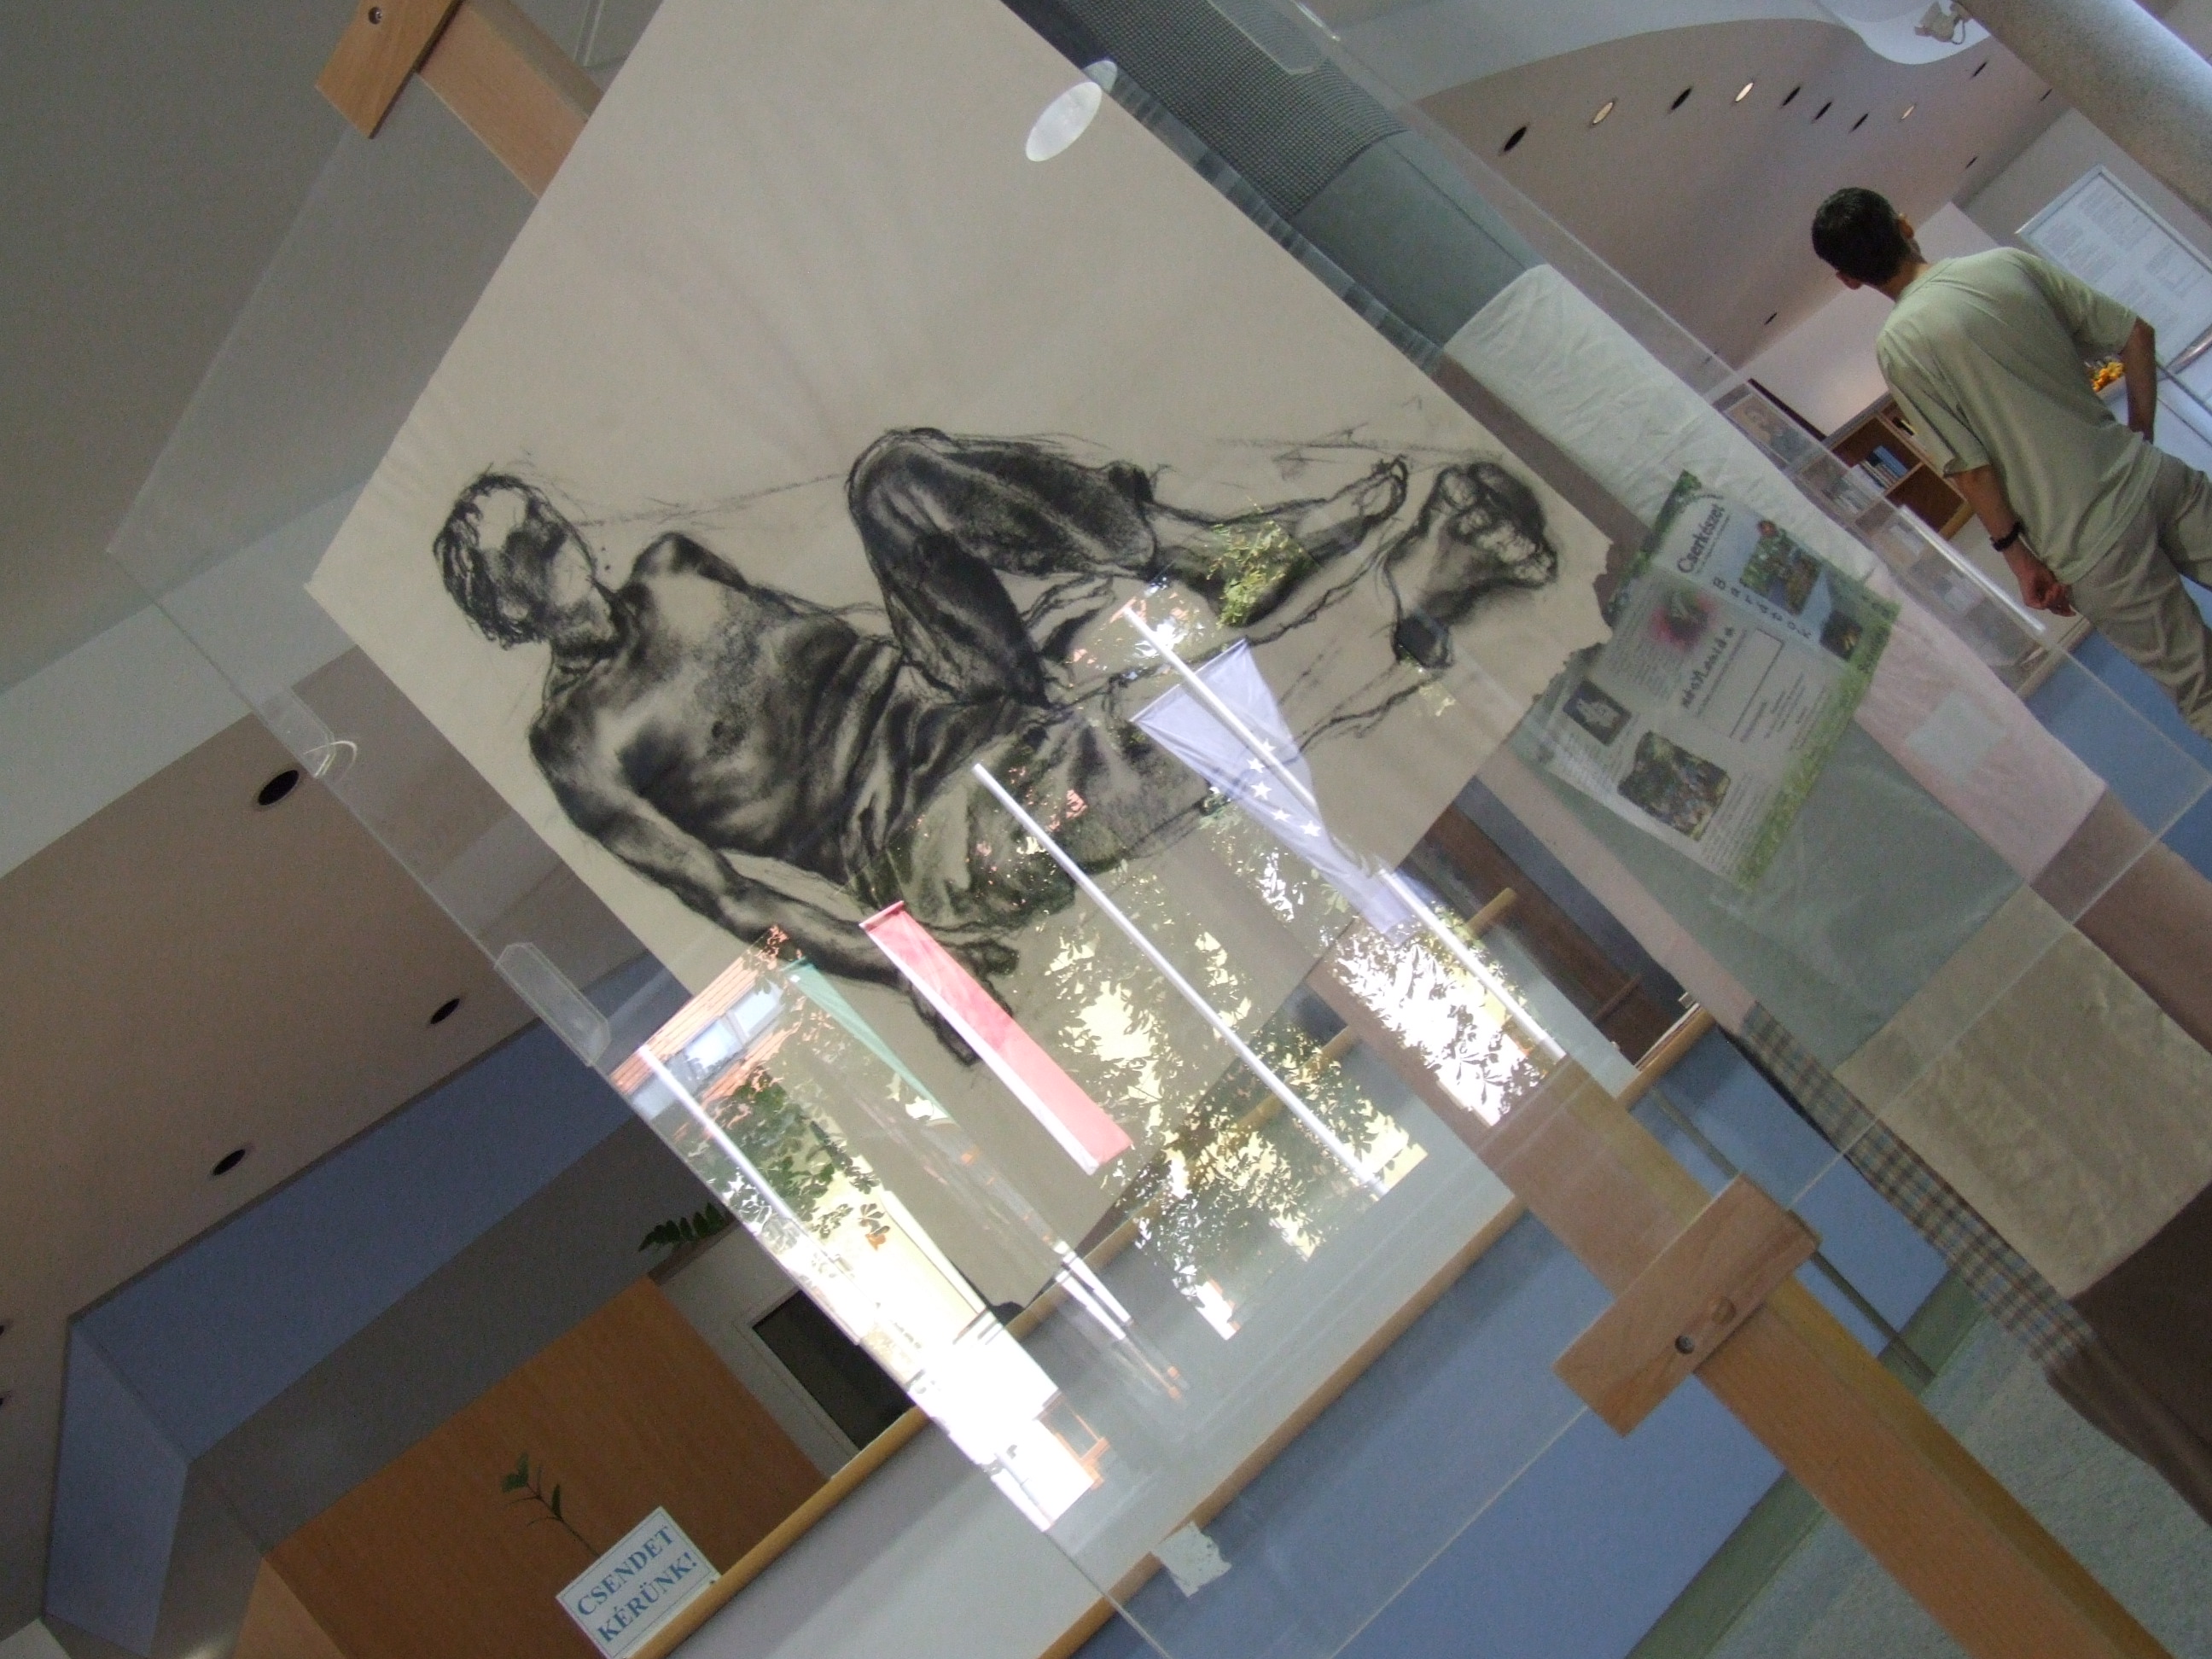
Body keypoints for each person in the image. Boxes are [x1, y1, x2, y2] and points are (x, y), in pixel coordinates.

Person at [432, 429, 1553, 1003]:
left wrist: (1023, 602)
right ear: (505, 611)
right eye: (522, 549)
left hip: (954, 697)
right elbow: (729, 900)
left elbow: (826, 644)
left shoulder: (674, 567)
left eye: (541, 516)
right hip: (914, 828)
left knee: (891, 481)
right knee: (1133, 750)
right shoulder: (574, 744)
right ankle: (1413, 598)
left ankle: (1192, 550)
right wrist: (908, 966)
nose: (552, 538)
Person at [1811, 186, 2212, 738]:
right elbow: (2134, 334)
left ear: (1848, 279)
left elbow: (1971, 469)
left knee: (2202, 687)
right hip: (2150, 476)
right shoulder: (2005, 266)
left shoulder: (1901, 346)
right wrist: (2140, 434)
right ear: (1904, 224)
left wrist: (2019, 560)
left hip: (2088, 544)